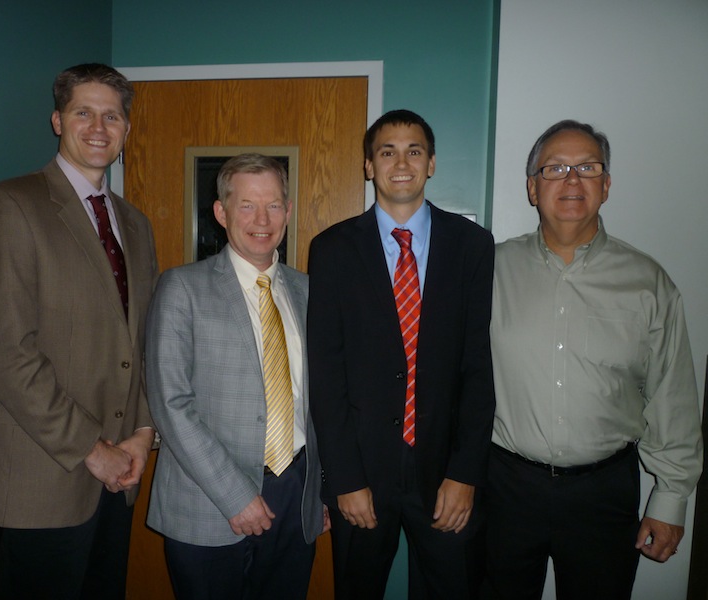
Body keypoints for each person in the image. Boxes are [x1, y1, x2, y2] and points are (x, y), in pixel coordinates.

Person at [0, 63, 159, 600]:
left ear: (126, 129)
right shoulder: (9, 205)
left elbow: (141, 343)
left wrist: (143, 433)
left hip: (120, 475)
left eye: (112, 116)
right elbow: (4, 353)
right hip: (44, 476)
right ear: (57, 121)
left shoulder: (135, 224)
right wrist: (91, 448)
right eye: (83, 113)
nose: (99, 127)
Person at [485, 119, 703, 599]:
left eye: (587, 167)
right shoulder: (488, 271)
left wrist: (670, 499)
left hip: (604, 495)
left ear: (606, 185)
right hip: (506, 490)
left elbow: (674, 396)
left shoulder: (648, 283)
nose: (571, 180)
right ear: (531, 187)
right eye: (555, 168)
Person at [307, 109, 496, 598]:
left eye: (414, 151)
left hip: (446, 474)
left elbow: (478, 368)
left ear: (431, 163)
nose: (401, 162)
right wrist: (344, 478)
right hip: (362, 473)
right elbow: (326, 375)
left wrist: (465, 472)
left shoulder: (473, 245)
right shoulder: (331, 249)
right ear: (369, 166)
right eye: (387, 151)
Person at [145, 153, 326, 600]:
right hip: (208, 500)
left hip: (295, 494)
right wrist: (236, 496)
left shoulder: (309, 291)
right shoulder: (181, 288)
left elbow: (323, 399)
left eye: (274, 205)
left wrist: (321, 489)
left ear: (287, 210)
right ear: (222, 212)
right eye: (247, 205)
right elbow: (170, 405)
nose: (262, 219)